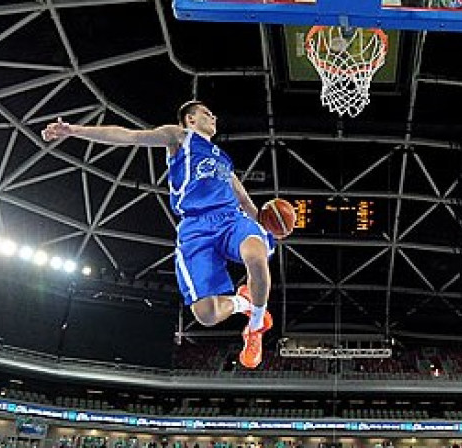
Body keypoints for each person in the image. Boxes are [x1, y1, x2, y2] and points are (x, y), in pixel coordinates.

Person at [41, 100, 282, 368]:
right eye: (206, 113)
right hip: (195, 227)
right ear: (190, 120)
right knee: (207, 314)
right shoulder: (179, 137)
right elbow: (128, 136)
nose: (213, 116)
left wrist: (266, 224)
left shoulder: (223, 159)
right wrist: (74, 130)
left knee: (256, 258)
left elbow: (245, 201)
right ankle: (242, 302)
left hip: (230, 219)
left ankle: (256, 327)